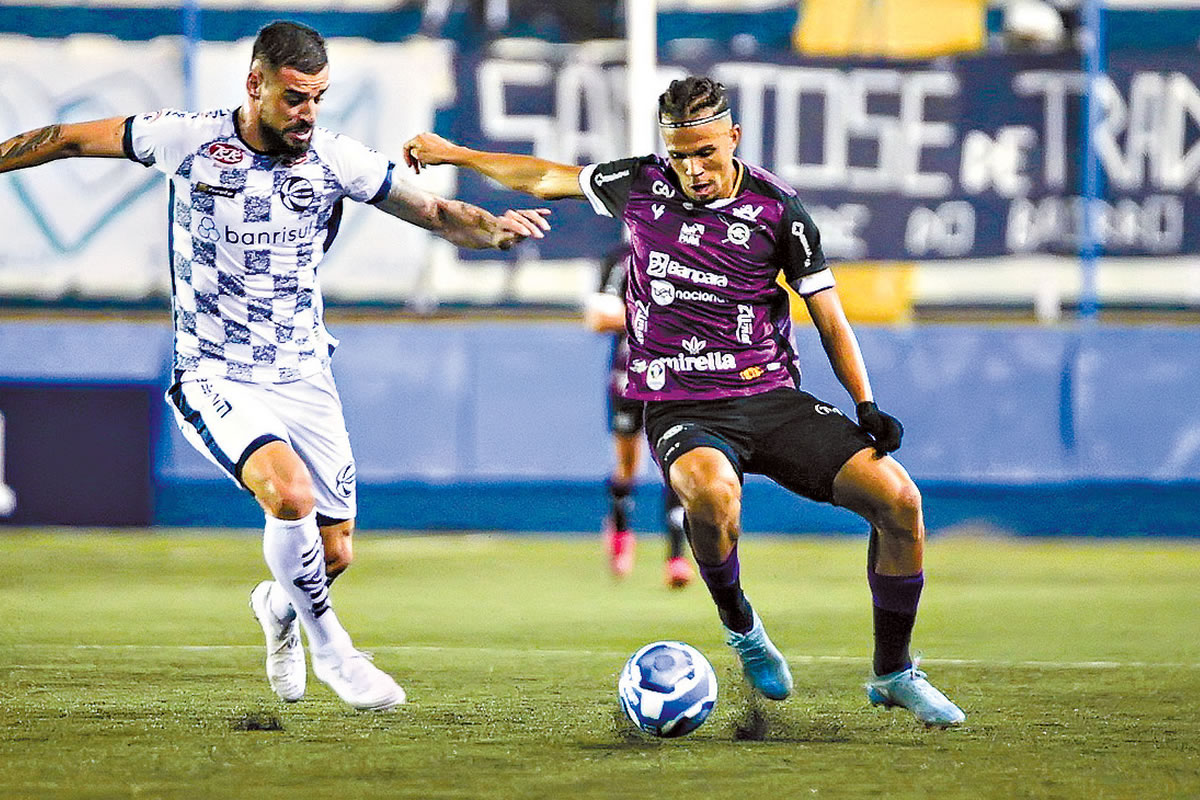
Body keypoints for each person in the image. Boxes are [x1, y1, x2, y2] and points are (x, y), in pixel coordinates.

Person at [0, 20, 550, 711]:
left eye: (318, 97)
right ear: (255, 85)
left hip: (304, 374)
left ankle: (278, 607)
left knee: (335, 552)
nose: (308, 114)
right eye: (295, 98)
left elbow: (437, 211)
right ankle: (336, 655)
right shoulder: (188, 140)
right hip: (215, 373)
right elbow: (67, 138)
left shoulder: (334, 158)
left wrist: (491, 228)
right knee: (288, 496)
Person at [403, 75, 965, 727]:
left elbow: (831, 318)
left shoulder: (779, 212)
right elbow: (545, 176)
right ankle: (743, 628)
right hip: (682, 403)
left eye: (705, 152)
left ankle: (894, 672)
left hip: (770, 397)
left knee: (899, 501)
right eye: (679, 154)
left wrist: (864, 403)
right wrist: (458, 156)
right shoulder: (639, 184)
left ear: (734, 138)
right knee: (712, 493)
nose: (692, 170)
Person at [584, 244, 693, 588]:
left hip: (677, 376)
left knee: (675, 465)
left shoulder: (688, 253)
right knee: (628, 465)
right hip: (628, 377)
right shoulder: (621, 258)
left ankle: (676, 557)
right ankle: (620, 527)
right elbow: (598, 318)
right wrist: (657, 315)